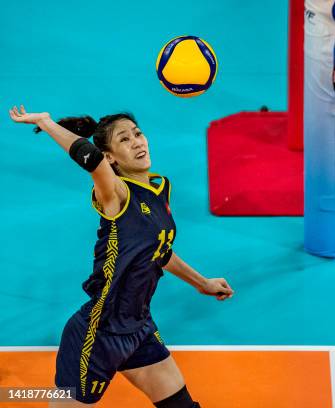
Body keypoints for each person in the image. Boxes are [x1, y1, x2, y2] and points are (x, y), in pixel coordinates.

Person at [9, 105, 234, 408]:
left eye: (138, 134)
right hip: (98, 334)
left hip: (138, 327)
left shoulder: (158, 189)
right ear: (111, 157)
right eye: (125, 140)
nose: (138, 142)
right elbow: (92, 161)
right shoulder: (115, 193)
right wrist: (47, 123)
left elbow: (159, 252)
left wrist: (201, 283)